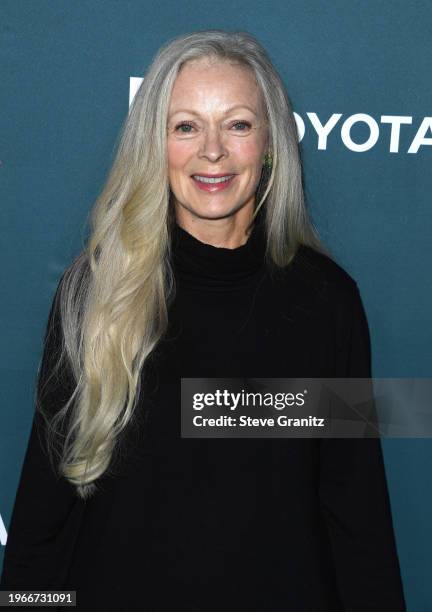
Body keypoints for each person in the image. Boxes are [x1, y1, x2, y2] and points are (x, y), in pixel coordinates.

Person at [0, 30, 406, 611]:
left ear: (269, 143)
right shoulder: (98, 293)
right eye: (186, 126)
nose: (211, 150)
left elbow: (356, 513)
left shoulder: (327, 303)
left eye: (237, 124)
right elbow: (44, 520)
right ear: (155, 144)